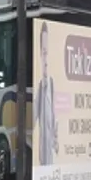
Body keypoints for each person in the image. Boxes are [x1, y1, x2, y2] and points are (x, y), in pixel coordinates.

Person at [33, 20, 58, 166]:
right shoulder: (39, 87)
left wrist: (56, 139)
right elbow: (31, 122)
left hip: (53, 158)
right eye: (43, 52)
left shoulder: (53, 84)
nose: (46, 59)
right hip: (43, 160)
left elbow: (55, 121)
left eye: (47, 52)